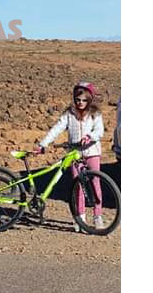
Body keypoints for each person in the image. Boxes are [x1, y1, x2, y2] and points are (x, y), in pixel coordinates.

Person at [36, 81, 105, 232]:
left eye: (84, 100)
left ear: (90, 99)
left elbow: (100, 131)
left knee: (95, 184)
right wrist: (43, 143)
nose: (80, 103)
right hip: (74, 154)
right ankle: (79, 217)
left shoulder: (95, 114)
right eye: (78, 99)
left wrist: (90, 136)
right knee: (77, 186)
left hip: (91, 152)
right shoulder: (69, 114)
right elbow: (56, 129)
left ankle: (97, 216)